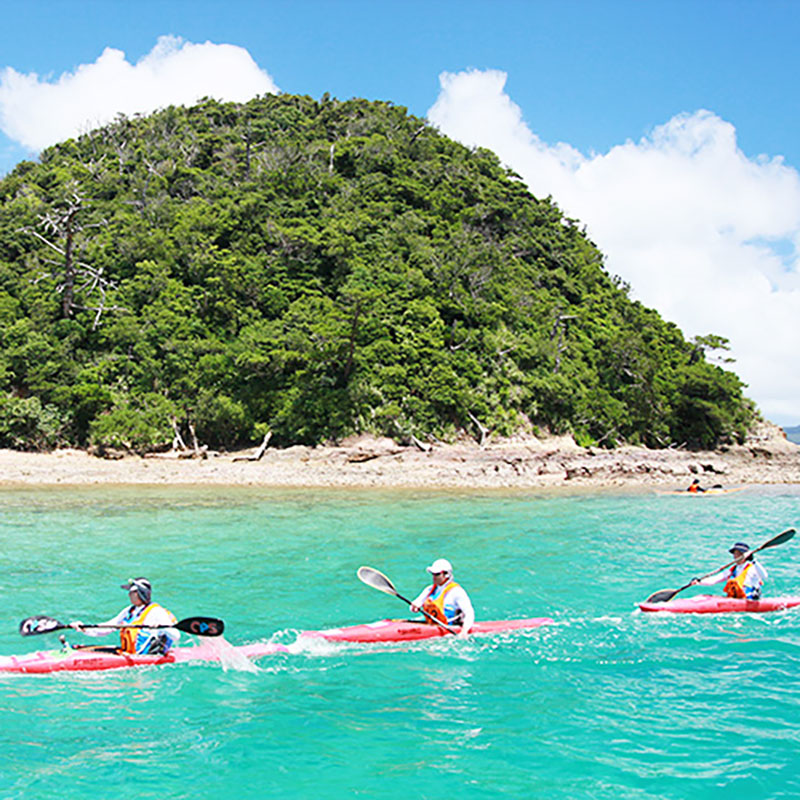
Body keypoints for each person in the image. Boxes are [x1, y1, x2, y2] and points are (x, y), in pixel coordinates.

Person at [69, 577, 180, 654]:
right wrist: (83, 628)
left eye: (132, 592)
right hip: (126, 653)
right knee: (81, 649)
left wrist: (163, 626)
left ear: (141, 593)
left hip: (145, 658)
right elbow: (108, 627)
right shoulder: (129, 611)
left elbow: (176, 635)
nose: (129, 595)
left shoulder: (156, 612)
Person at [409, 558, 475, 638]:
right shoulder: (429, 589)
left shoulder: (457, 592)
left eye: (437, 574)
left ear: (446, 574)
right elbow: (415, 605)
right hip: (431, 625)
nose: (434, 577)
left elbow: (469, 613)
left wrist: (464, 631)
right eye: (432, 574)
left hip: (449, 627)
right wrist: (414, 607)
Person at [690, 542, 768, 600]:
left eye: (739, 554)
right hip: (736, 599)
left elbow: (764, 576)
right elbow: (715, 579)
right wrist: (699, 581)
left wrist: (754, 561)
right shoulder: (733, 569)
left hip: (750, 599)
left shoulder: (752, 568)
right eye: (735, 554)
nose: (736, 556)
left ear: (745, 555)